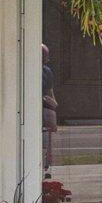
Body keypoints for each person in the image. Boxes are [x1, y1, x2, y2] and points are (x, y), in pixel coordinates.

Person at [42, 43, 57, 175]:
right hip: (35, 106)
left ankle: (47, 164)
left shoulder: (47, 71)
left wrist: (54, 102)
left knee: (48, 135)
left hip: (46, 106)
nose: (46, 59)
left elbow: (50, 90)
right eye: (44, 56)